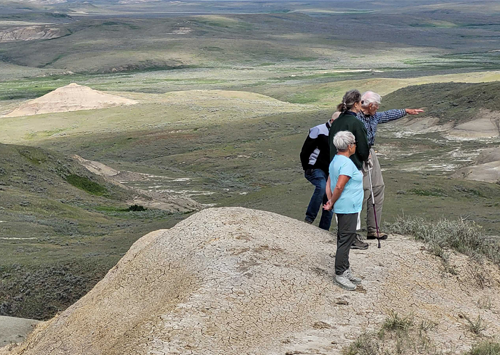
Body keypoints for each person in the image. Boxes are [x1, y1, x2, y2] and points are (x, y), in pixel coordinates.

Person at [357, 91, 424, 240]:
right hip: (356, 154)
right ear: (370, 105)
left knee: (378, 187)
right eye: (376, 105)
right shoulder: (354, 117)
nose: (378, 108)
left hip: (369, 151)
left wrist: (406, 111)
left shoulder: (374, 116)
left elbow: (387, 115)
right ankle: (349, 231)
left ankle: (373, 229)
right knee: (362, 191)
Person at [328, 89, 370, 249]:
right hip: (351, 166)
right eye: (361, 103)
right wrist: (365, 158)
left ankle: (343, 233)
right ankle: (351, 236)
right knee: (353, 202)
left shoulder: (336, 121)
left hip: (334, 165)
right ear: (357, 104)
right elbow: (363, 150)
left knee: (339, 199)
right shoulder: (356, 123)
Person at [324, 131, 364, 291]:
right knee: (346, 239)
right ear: (349, 146)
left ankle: (345, 269)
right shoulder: (347, 163)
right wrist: (332, 201)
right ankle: (340, 272)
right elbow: (339, 185)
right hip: (348, 207)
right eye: (354, 143)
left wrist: (330, 201)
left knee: (344, 237)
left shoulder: (336, 160)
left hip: (343, 205)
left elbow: (329, 182)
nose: (355, 146)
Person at [300, 116, 336, 230]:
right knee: (321, 187)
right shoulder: (318, 130)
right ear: (333, 120)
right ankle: (309, 218)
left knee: (330, 198)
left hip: (331, 172)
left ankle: (323, 230)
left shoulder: (341, 133)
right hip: (315, 167)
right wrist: (307, 167)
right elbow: (305, 150)